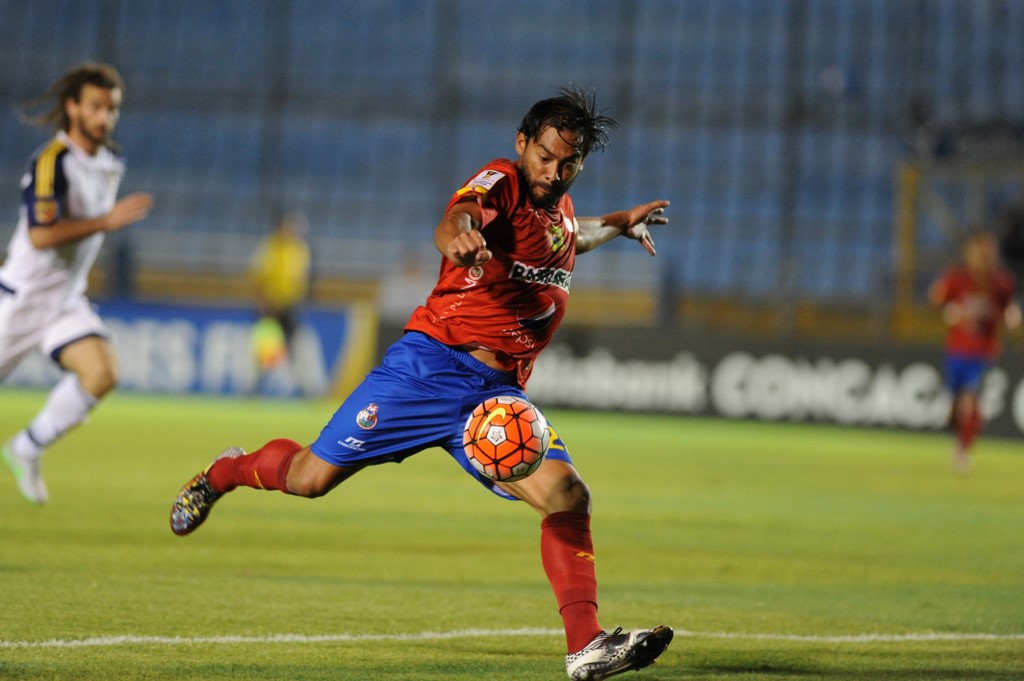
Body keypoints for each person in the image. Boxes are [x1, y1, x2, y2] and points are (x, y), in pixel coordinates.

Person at [170, 86, 673, 680]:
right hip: (429, 369)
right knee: (309, 479)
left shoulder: (557, 208)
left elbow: (570, 238)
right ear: (522, 144)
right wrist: (457, 236)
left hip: (494, 400)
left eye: (569, 163)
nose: (553, 171)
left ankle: (585, 647)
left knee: (569, 495)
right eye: (545, 156)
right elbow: (458, 217)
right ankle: (225, 471)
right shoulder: (501, 182)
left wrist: (616, 223)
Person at [1, 63, 153, 504]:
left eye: (112, 108)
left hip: (65, 300)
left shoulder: (110, 161)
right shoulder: (53, 163)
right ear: (72, 107)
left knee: (102, 373)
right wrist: (106, 220)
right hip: (21, 298)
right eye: (96, 107)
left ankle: (25, 448)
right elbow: (40, 235)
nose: (104, 116)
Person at [928, 230, 1020, 474]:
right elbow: (936, 298)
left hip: (983, 352)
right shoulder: (956, 278)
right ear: (971, 253)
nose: (985, 257)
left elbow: (1008, 305)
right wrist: (949, 309)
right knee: (954, 407)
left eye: (989, 253)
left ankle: (963, 451)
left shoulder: (1000, 281)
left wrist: (1011, 315)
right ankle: (958, 433)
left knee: (971, 401)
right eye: (981, 252)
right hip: (957, 350)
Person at [248, 211, 312, 386]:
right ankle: (255, 385)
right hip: (269, 305)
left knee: (294, 346)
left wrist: (297, 299)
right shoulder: (269, 247)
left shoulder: (300, 249)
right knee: (265, 347)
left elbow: (301, 279)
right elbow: (258, 276)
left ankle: (302, 384)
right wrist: (263, 301)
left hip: (290, 305)